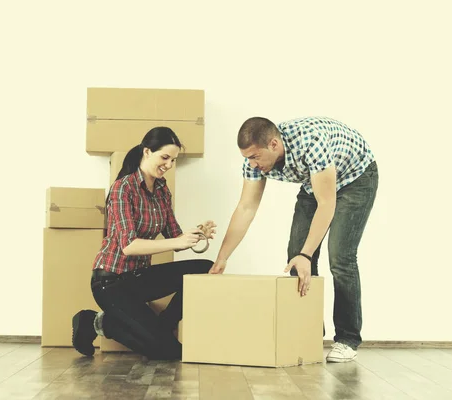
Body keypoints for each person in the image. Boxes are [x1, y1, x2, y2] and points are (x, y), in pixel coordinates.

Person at [209, 116, 378, 363]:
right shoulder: (252, 163)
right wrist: (222, 257)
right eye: (247, 158)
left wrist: (307, 253)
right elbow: (246, 207)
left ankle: (347, 339)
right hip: (316, 183)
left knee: (340, 257)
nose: (252, 164)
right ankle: (309, 333)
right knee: (295, 259)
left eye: (255, 157)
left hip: (356, 178)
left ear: (274, 145)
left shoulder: (311, 143)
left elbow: (327, 202)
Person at [72, 127, 216, 360]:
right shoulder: (123, 189)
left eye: (173, 160)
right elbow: (129, 246)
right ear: (147, 152)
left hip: (139, 277)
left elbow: (175, 236)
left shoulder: (161, 190)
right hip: (111, 282)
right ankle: (95, 322)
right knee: (170, 352)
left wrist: (197, 235)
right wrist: (176, 241)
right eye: (165, 157)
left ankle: (162, 326)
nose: (169, 165)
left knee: (205, 267)